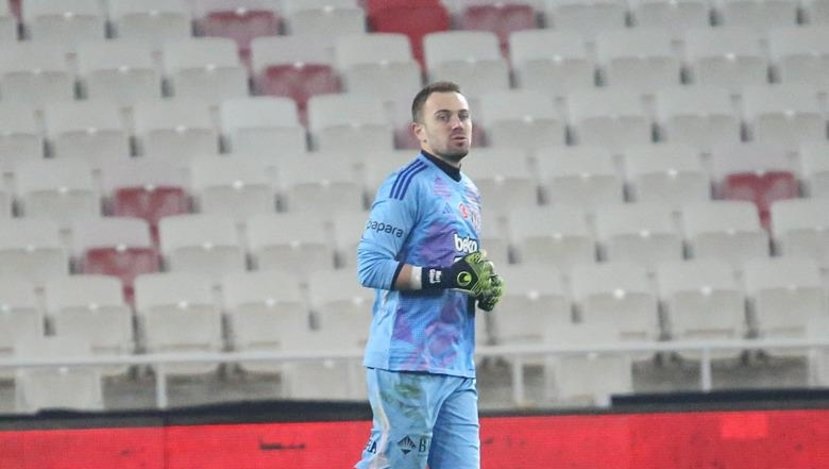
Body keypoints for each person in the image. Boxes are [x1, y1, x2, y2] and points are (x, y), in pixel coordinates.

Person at [354, 81, 504, 469]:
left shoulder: (469, 191)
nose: (457, 124)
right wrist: (447, 277)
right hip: (407, 361)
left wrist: (479, 286)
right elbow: (370, 266)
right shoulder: (406, 184)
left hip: (456, 364)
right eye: (443, 117)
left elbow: (458, 267)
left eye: (463, 116)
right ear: (419, 131)